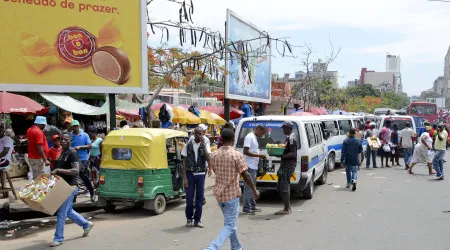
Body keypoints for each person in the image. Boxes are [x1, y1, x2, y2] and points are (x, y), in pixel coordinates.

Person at [205, 128, 260, 250]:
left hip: (219, 194)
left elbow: (214, 170)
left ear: (222, 139)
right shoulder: (236, 155)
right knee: (230, 225)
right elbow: (245, 175)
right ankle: (212, 248)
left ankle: (236, 247)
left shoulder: (214, 155)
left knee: (229, 224)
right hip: (231, 195)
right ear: (233, 139)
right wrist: (254, 190)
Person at [50, 133, 94, 247]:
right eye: (62, 139)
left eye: (66, 139)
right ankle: (86, 224)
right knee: (68, 211)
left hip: (70, 186)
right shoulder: (62, 153)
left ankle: (58, 238)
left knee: (61, 213)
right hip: (62, 186)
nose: (63, 141)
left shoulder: (72, 153)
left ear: (71, 141)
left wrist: (58, 170)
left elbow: (75, 171)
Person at [182, 126, 211, 228]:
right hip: (190, 174)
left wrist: (203, 146)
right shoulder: (188, 145)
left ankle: (197, 220)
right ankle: (189, 218)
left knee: (199, 198)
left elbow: (208, 158)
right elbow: (184, 161)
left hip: (200, 174)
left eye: (201, 134)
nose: (199, 135)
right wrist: (185, 177)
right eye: (197, 133)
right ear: (194, 134)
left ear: (203, 134)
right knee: (189, 198)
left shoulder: (205, 145)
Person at [242, 124, 266, 215]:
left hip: (253, 166)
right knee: (248, 188)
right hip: (249, 166)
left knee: (253, 187)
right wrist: (259, 155)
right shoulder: (249, 137)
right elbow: (245, 151)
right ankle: (247, 208)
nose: (262, 135)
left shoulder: (254, 137)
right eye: (262, 133)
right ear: (258, 129)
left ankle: (252, 206)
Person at [275, 121, 297, 215]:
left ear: (288, 128)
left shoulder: (292, 138)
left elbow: (293, 153)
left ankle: (287, 209)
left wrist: (282, 156)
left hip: (288, 165)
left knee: (284, 186)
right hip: (285, 164)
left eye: (284, 128)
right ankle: (287, 207)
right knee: (280, 187)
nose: (283, 130)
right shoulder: (288, 138)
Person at [71, 120, 94, 200]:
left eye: (76, 126)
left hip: (83, 159)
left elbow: (90, 146)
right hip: (73, 159)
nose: (74, 128)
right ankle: (73, 197)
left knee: (84, 177)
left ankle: (91, 192)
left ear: (78, 126)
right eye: (73, 126)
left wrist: (80, 147)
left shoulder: (84, 135)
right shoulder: (70, 135)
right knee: (73, 178)